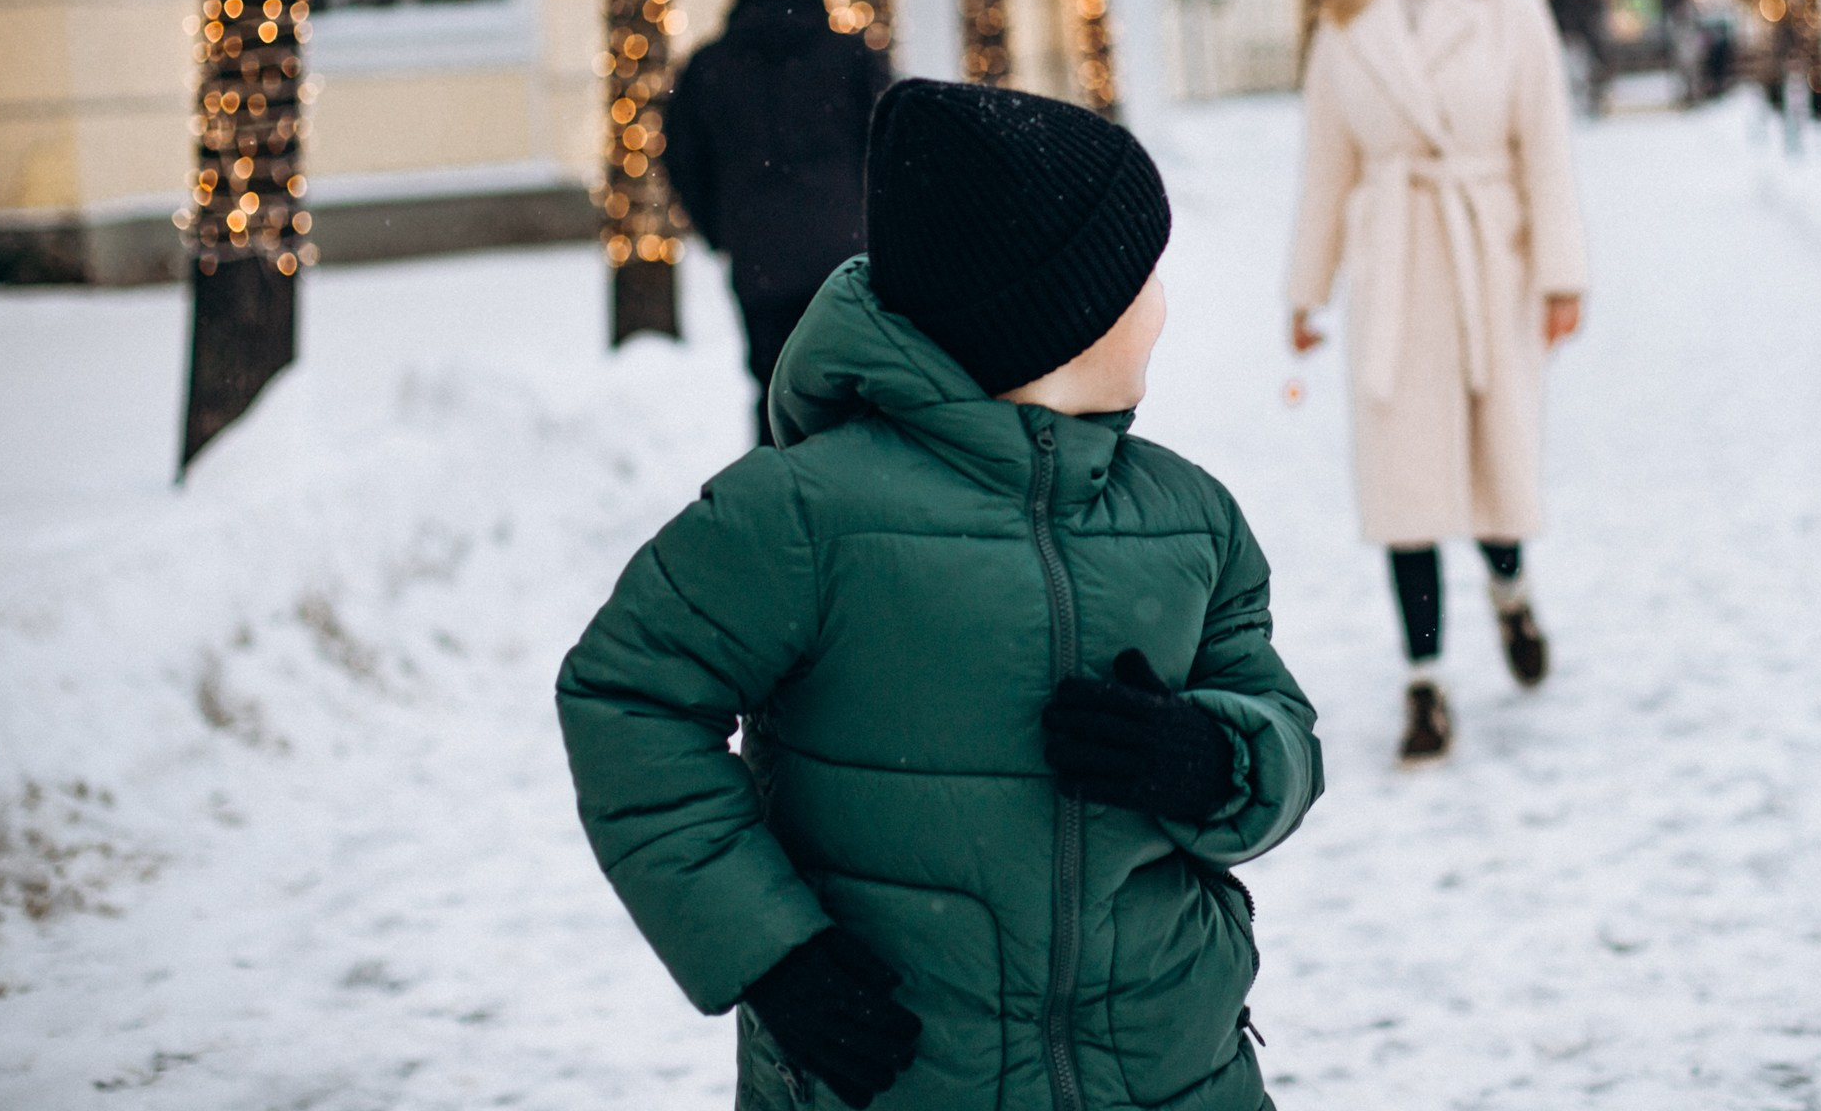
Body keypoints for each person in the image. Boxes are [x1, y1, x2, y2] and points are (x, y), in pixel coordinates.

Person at [559, 80, 1323, 1111]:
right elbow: (629, 696)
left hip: (1174, 1071)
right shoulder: (809, 513)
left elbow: (1283, 727)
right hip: (905, 1075)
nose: (1164, 303)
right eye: (1140, 276)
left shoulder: (1190, 520)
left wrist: (1215, 758)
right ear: (1055, 317)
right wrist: (771, 951)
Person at [1284, 0, 1587, 766]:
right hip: (1395, 261)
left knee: (1495, 461)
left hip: (1485, 252)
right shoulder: (1346, 19)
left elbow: (1545, 145)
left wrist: (1562, 273)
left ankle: (1510, 592)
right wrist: (1306, 292)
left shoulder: (1508, 2)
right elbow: (1325, 168)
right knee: (1403, 477)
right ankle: (1426, 685)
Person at [664, 0, 890, 445]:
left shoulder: (708, 68)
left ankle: (785, 496)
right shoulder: (850, 57)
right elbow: (889, 145)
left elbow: (682, 161)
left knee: (774, 389)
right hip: (843, 258)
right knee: (854, 389)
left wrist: (722, 231)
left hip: (761, 261)